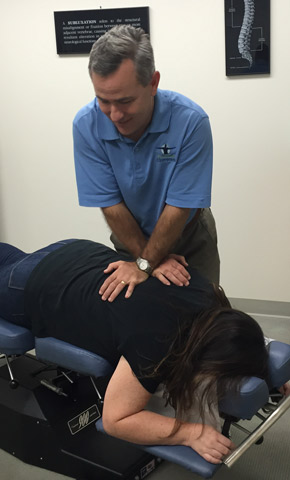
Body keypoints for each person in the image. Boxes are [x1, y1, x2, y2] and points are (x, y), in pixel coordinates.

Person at [2, 238, 287, 465]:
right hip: (29, 285)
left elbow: (239, 332)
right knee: (11, 267)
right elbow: (116, 420)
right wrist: (191, 434)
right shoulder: (158, 344)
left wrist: (269, 370)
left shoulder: (209, 296)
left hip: (77, 252)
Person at [73, 25, 220, 303]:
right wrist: (145, 261)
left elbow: (179, 206)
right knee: (139, 320)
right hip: (130, 238)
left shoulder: (190, 121)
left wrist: (146, 263)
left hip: (189, 236)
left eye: (125, 101)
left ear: (153, 83)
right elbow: (111, 204)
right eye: (103, 100)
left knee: (205, 323)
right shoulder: (86, 125)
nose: (114, 115)